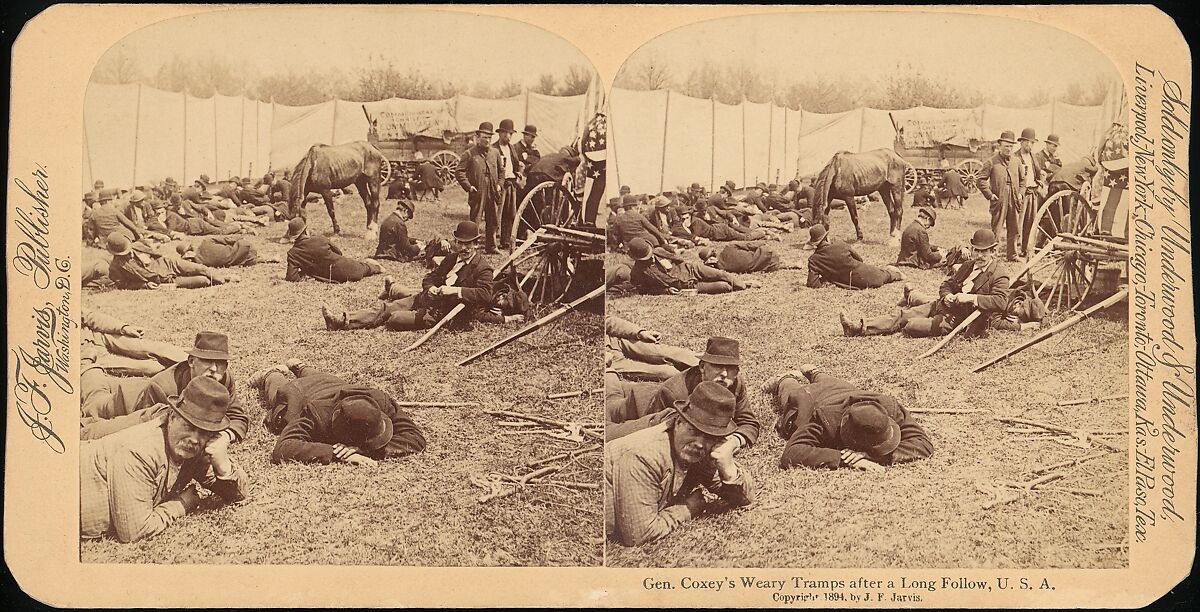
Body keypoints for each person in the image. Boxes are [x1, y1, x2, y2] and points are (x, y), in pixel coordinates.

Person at [80, 376, 249, 544]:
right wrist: (181, 504)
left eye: (205, 432)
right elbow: (135, 532)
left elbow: (240, 495)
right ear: (173, 416)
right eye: (189, 426)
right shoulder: (140, 450)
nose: (195, 439)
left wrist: (223, 465)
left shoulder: (193, 448)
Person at [605, 381, 756, 547]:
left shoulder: (702, 451)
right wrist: (688, 508)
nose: (700, 443)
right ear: (678, 422)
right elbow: (639, 534)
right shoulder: (644, 455)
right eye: (694, 431)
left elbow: (747, 499)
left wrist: (729, 469)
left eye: (710, 436)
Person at [321, 221, 500, 331]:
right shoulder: (452, 258)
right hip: (425, 299)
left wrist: (452, 291)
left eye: (468, 244)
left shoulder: (483, 268)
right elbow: (430, 277)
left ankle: (396, 304)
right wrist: (430, 289)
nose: (464, 249)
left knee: (395, 319)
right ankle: (341, 321)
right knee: (385, 308)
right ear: (456, 242)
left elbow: (485, 295)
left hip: (444, 313)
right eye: (461, 243)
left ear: (477, 244)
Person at [80, 331, 251, 443]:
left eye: (220, 363)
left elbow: (238, 417)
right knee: (93, 399)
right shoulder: (163, 387)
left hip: (139, 387)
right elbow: (152, 433)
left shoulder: (223, 379)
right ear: (191, 362)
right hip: (125, 404)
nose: (214, 369)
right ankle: (86, 363)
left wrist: (225, 437)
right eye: (207, 361)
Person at [247, 360, 426, 465]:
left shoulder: (379, 400)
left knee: (324, 379)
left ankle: (300, 366)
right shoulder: (315, 414)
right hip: (299, 392)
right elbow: (282, 449)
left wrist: (364, 450)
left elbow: (416, 438)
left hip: (331, 383)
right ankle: (270, 372)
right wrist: (335, 453)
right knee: (281, 394)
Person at [839, 228, 1011, 338]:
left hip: (957, 320)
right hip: (941, 306)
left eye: (984, 252)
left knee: (911, 325)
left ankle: (908, 321)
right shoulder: (968, 265)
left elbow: (1001, 302)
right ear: (972, 249)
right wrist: (947, 296)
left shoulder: (998, 274)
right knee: (902, 315)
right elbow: (946, 284)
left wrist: (970, 298)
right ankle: (859, 327)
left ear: (993, 251)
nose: (979, 256)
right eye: (976, 251)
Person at [764, 366, 933, 471]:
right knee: (792, 393)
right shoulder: (824, 421)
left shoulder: (888, 407)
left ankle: (815, 372)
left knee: (833, 383)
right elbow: (791, 453)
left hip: (843, 389)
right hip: (810, 398)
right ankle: (784, 378)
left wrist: (873, 456)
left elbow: (923, 444)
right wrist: (843, 459)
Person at [608, 335, 761, 451]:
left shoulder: (734, 383)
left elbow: (749, 423)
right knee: (611, 402)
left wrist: (734, 441)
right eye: (717, 366)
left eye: (731, 368)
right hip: (639, 406)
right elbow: (658, 436)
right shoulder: (674, 392)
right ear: (702, 367)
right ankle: (608, 370)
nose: (724, 374)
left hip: (651, 391)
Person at [626, 238, 755, 295]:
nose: (650, 257)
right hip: (687, 286)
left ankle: (744, 285)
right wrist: (665, 290)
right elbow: (644, 290)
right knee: (724, 286)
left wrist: (673, 261)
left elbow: (679, 258)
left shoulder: (659, 251)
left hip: (692, 269)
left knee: (722, 274)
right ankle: (740, 284)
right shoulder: (638, 272)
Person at [80, 308, 188, 377]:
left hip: (98, 335)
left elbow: (90, 316)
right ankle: (185, 374)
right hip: (84, 356)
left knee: (158, 349)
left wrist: (123, 328)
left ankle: (197, 362)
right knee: (151, 368)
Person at [106, 234, 237, 290]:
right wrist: (144, 285)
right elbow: (123, 285)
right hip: (164, 280)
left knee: (200, 268)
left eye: (128, 249)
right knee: (203, 281)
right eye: (124, 253)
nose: (128, 253)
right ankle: (218, 280)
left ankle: (225, 278)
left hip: (169, 264)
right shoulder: (115, 267)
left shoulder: (138, 245)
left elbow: (156, 252)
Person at [284, 217, 382, 283]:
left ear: (293, 236)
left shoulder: (293, 253)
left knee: (363, 266)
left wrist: (306, 271)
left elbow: (291, 277)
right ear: (306, 231)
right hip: (351, 270)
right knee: (366, 267)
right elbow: (339, 253)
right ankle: (376, 267)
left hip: (329, 277)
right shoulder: (320, 239)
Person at [605, 315, 699, 382]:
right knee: (667, 373)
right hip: (611, 361)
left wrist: (640, 332)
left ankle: (708, 365)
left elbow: (608, 321)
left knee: (670, 353)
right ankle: (698, 379)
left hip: (615, 340)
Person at [806, 224, 903, 289]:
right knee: (887, 274)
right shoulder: (841, 245)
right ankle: (896, 274)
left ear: (815, 243)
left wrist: (827, 277)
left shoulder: (814, 260)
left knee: (885, 273)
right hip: (872, 276)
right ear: (827, 238)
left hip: (853, 284)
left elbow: (813, 283)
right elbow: (860, 260)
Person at [455, 122, 502, 253]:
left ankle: (491, 246)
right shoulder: (469, 154)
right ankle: (471, 246)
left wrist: (499, 184)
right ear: (478, 137)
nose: (487, 140)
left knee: (493, 219)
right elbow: (459, 171)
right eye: (485, 137)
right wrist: (469, 187)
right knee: (475, 219)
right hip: (478, 190)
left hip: (492, 190)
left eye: (489, 138)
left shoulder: (495, 153)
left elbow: (502, 171)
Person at [977, 131, 1023, 261]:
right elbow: (980, 180)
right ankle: (993, 254)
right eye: (1006, 146)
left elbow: (1023, 180)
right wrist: (990, 195)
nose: (1008, 149)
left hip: (1014, 199)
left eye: (1011, 146)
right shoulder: (991, 162)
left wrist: (1020, 194)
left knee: (1014, 228)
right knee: (996, 228)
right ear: (1000, 145)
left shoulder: (1017, 161)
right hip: (999, 199)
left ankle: (1012, 254)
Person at [1014, 128, 1044, 259]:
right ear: (1021, 142)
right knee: (1018, 222)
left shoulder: (1033, 157)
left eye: (1032, 143)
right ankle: (1014, 249)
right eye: (1027, 142)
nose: (1029, 145)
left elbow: (1037, 172)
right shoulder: (1015, 157)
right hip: (1022, 192)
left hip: (1033, 192)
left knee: (1030, 222)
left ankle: (1025, 249)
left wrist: (1040, 180)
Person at [608, 195, 674, 253]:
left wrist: (615, 248)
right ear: (632, 206)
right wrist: (663, 239)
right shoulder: (639, 216)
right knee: (662, 247)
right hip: (648, 243)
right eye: (636, 206)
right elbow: (652, 229)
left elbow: (615, 236)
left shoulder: (619, 219)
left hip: (631, 246)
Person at [493, 119, 521, 250]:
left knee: (510, 213)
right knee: (498, 213)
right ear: (499, 134)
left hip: (511, 183)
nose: (508, 136)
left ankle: (506, 240)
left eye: (510, 134)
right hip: (501, 184)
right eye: (505, 133)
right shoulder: (494, 148)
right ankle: (494, 240)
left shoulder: (512, 148)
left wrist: (517, 172)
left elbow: (514, 163)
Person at [697, 243, 801, 274]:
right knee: (769, 257)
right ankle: (791, 264)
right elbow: (748, 245)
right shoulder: (728, 248)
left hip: (758, 267)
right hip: (764, 254)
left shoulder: (721, 268)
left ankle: (789, 265)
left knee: (771, 265)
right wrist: (761, 247)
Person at [177, 235, 268, 268]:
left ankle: (262, 259)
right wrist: (240, 238)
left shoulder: (200, 262)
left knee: (246, 259)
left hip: (241, 260)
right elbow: (227, 239)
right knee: (243, 247)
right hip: (245, 247)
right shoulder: (206, 242)